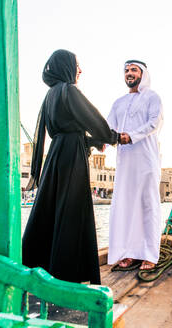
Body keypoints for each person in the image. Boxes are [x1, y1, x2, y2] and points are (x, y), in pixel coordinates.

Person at [22, 49, 119, 284]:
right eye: (77, 65)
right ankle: (66, 275)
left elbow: (66, 130)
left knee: (51, 211)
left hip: (56, 156)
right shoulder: (69, 91)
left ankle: (41, 268)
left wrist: (94, 142)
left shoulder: (51, 95)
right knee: (72, 210)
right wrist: (111, 136)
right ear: (66, 66)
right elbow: (92, 119)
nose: (80, 70)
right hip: (72, 158)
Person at [107, 60, 163, 270]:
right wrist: (101, 141)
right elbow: (108, 126)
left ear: (143, 74)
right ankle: (129, 252)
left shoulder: (152, 97)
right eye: (126, 71)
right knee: (126, 205)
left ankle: (150, 254)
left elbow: (153, 123)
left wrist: (130, 137)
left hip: (146, 159)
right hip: (124, 162)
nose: (129, 73)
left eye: (133, 70)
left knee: (148, 204)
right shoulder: (118, 103)